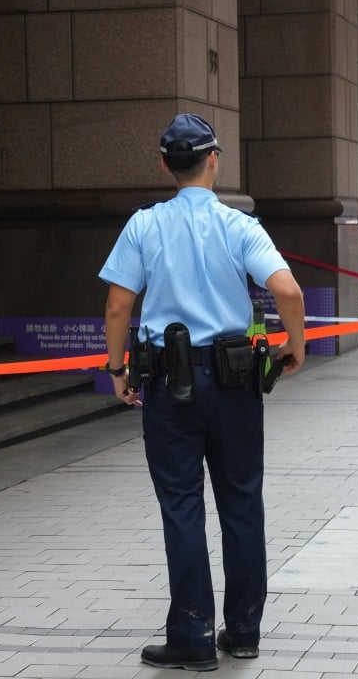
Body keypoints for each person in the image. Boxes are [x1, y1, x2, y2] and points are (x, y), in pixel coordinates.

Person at [100, 114, 307, 671]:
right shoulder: (239, 225)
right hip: (236, 382)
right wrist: (296, 345)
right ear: (214, 160)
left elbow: (120, 305)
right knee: (241, 503)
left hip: (169, 384)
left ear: (165, 165)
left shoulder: (143, 226)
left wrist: (117, 368)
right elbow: (285, 288)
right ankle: (242, 633)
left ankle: (191, 636)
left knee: (182, 506)